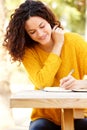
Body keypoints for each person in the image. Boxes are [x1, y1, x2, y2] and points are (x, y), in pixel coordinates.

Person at [3, 0, 87, 130]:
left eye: (42, 26)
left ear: (49, 21)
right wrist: (58, 45)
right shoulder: (29, 52)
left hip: (79, 114)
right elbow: (43, 82)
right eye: (32, 32)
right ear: (27, 34)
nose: (40, 34)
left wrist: (80, 84)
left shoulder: (75, 42)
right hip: (45, 117)